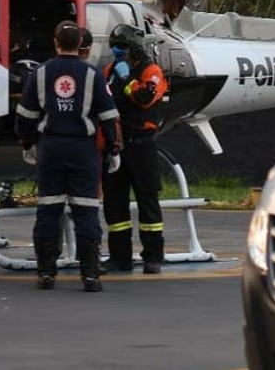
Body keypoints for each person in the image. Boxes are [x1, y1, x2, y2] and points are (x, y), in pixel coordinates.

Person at [14, 20, 119, 292]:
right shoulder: (93, 75)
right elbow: (109, 116)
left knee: (49, 210)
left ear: (56, 42)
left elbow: (24, 115)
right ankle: (91, 275)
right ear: (80, 45)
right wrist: (113, 149)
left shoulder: (40, 73)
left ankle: (46, 273)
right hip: (83, 151)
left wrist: (28, 144)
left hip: (50, 148)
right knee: (86, 211)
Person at [102, 23, 169, 275]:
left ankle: (153, 256)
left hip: (142, 145)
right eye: (114, 47)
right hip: (116, 145)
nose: (117, 51)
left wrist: (126, 78)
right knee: (114, 203)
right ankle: (120, 257)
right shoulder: (108, 71)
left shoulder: (151, 71)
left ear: (134, 48)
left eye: (122, 47)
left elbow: (144, 99)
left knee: (147, 200)